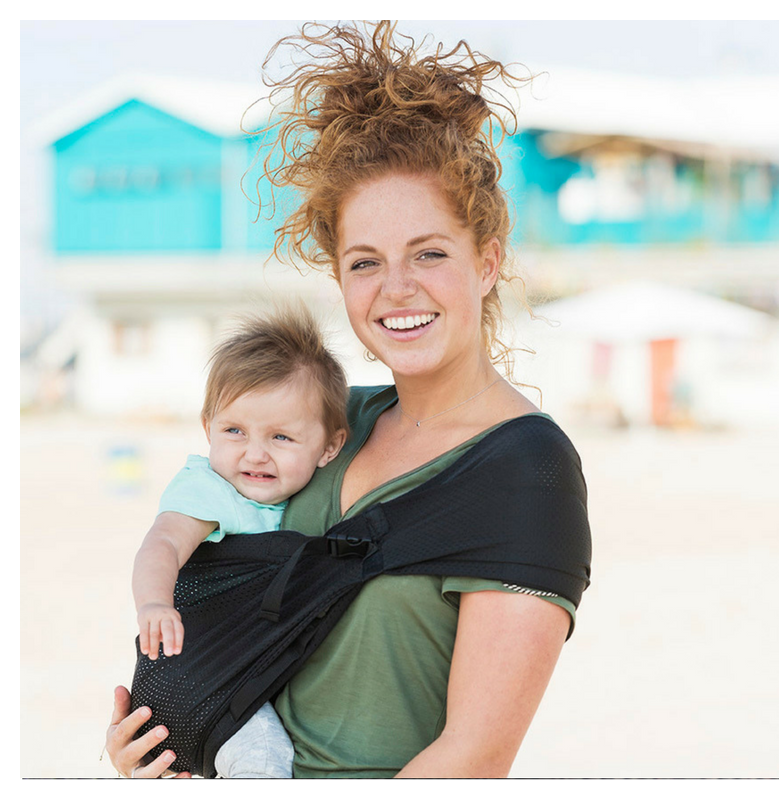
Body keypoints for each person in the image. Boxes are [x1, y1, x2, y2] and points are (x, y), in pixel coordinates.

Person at [106, 20, 591, 779]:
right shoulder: (325, 425)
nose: (397, 289)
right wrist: (164, 739)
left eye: (430, 253)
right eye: (366, 262)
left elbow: (472, 758)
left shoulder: (526, 471)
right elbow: (215, 587)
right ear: (340, 280)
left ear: (488, 262)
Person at [131, 308, 348, 778]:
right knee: (265, 760)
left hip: (236, 677)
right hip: (197, 681)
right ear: (207, 426)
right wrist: (153, 603)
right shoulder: (210, 488)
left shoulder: (309, 499)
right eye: (234, 431)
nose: (254, 453)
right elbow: (163, 542)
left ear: (330, 448)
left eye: (281, 437)